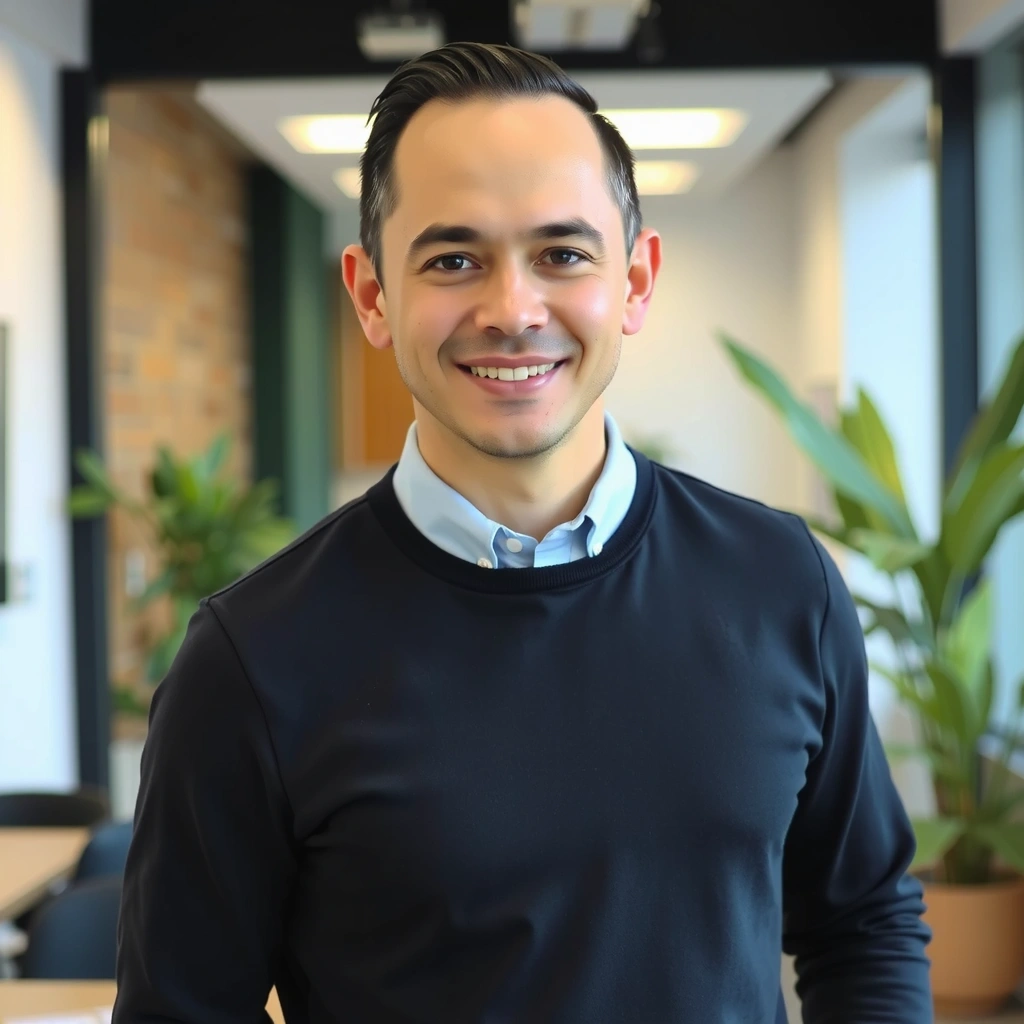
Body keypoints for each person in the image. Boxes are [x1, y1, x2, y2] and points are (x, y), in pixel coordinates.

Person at [114, 41, 932, 1024]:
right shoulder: (252, 660)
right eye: (453, 259)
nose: (511, 310)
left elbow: (864, 923)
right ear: (373, 293)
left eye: (562, 253)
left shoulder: (780, 583)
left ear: (633, 280)